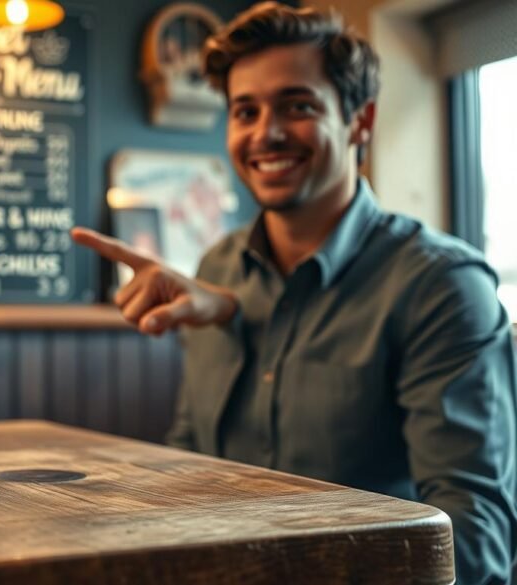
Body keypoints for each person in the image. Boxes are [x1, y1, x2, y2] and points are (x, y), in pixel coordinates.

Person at [71, 3, 517, 583]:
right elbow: (188, 459)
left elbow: (474, 539)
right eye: (244, 111)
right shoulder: (216, 269)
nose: (266, 132)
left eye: (297, 106)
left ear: (361, 120)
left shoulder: (441, 286)